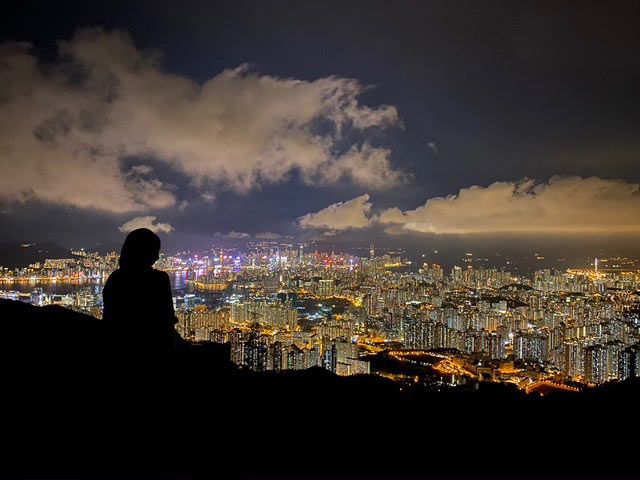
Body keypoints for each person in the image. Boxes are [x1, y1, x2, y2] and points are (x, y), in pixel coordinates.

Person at [102, 228, 177, 368]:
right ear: (145, 252)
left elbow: (110, 318)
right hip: (154, 352)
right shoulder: (159, 279)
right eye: (155, 251)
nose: (157, 257)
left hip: (118, 351)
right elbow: (166, 319)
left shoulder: (115, 278)